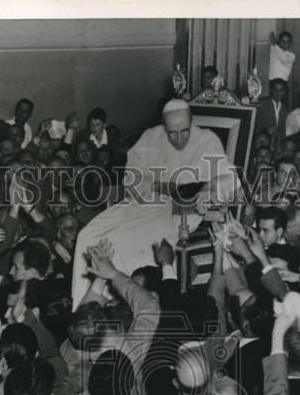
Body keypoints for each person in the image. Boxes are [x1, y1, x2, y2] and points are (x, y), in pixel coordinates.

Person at [70, 99, 237, 305]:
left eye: (184, 131)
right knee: (87, 235)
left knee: (123, 242)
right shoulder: (150, 137)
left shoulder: (207, 140)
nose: (179, 139)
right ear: (164, 125)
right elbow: (131, 178)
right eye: (172, 133)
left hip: (181, 211)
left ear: (192, 122)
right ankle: (84, 308)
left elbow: (227, 177)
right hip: (145, 201)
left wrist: (206, 190)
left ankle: (116, 304)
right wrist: (161, 186)